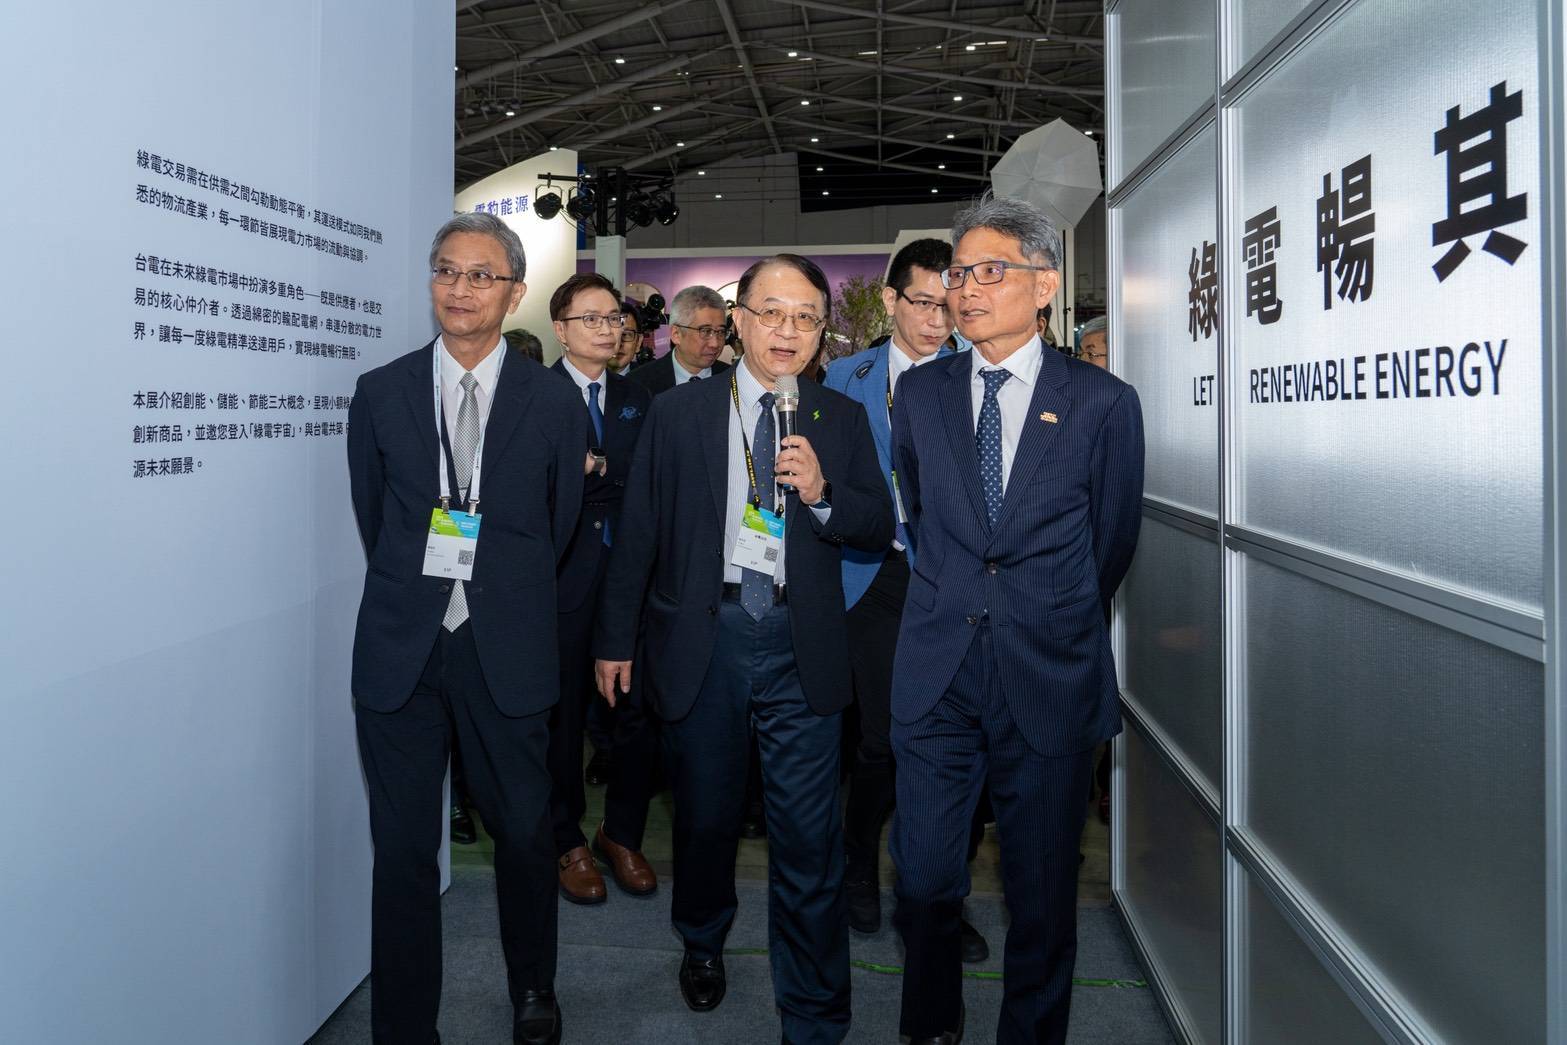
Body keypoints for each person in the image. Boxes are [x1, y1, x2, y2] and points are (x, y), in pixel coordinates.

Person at [594, 254, 892, 1044]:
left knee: (807, 835)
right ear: (739, 320)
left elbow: (874, 522)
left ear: (821, 329)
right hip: (707, 635)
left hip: (802, 642)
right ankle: (701, 940)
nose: (787, 330)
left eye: (804, 316)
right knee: (704, 816)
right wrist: (614, 637)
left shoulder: (838, 418)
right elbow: (641, 534)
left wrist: (823, 491)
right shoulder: (682, 413)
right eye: (771, 312)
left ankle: (816, 1009)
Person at [888, 194, 1144, 1045]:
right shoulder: (919, 395)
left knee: (1040, 897)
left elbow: (1108, 543)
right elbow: (924, 513)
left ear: (1044, 286)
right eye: (959, 274)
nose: (965, 290)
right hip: (938, 673)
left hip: (1047, 675)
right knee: (924, 879)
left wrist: (1039, 607)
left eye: (988, 272)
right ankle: (930, 1025)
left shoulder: (1102, 402)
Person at [346, 211, 586, 1045]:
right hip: (401, 654)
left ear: (514, 292)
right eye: (447, 270)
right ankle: (404, 1027)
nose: (460, 288)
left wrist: (495, 591)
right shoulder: (380, 392)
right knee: (404, 854)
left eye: (481, 275)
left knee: (524, 835)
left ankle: (533, 988)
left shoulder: (553, 404)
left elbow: (558, 529)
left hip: (506, 648)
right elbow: (375, 517)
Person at [821, 238, 988, 963]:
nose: (935, 318)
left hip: (953, 578)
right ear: (888, 301)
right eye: (920, 302)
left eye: (946, 303)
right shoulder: (842, 376)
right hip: (872, 572)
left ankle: (938, 896)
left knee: (959, 744)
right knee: (881, 741)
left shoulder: (976, 375)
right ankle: (858, 865)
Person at [545, 273, 659, 905]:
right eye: (589, 318)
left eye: (613, 318)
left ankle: (621, 833)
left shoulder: (639, 395)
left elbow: (645, 482)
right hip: (559, 578)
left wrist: (595, 470)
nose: (605, 328)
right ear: (560, 327)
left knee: (635, 713)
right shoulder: (534, 393)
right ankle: (566, 840)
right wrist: (589, 474)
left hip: (629, 576)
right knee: (561, 717)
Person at [628, 284, 729, 393]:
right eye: (705, 331)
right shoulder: (638, 383)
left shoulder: (733, 379)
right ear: (676, 334)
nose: (715, 344)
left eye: (721, 332)